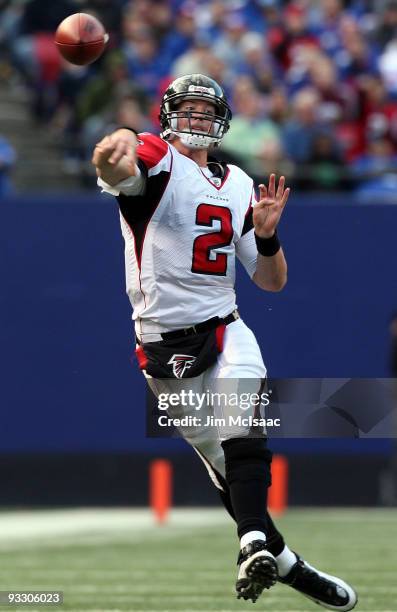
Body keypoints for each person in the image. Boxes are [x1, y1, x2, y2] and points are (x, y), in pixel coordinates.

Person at [92, 73, 357, 609]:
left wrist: (265, 235)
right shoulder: (157, 159)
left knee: (245, 432)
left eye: (205, 111)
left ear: (221, 121)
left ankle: (253, 542)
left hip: (224, 324)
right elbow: (120, 168)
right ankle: (281, 559)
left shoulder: (237, 181)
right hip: (163, 346)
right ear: (167, 115)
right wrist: (109, 151)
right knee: (226, 467)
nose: (196, 120)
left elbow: (271, 280)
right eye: (186, 109)